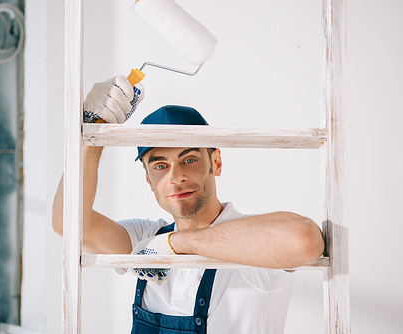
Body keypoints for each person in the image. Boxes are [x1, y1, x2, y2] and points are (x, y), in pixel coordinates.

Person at [52, 75, 325, 334]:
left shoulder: (253, 240)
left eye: (189, 159)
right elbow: (68, 223)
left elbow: (305, 239)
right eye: (160, 165)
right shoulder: (145, 239)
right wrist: (92, 136)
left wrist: (176, 244)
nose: (176, 177)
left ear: (215, 162)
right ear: (148, 179)